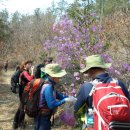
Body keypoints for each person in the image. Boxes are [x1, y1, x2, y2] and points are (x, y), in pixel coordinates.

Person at [74, 54, 130, 130]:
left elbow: (76, 108)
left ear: (91, 70)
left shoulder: (87, 87)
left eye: (88, 71)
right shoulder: (119, 84)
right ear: (103, 68)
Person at [34, 63, 74, 130]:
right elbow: (51, 105)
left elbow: (57, 94)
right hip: (42, 117)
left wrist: (68, 97)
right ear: (53, 76)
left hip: (42, 116)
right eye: (58, 76)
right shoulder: (48, 86)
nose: (59, 78)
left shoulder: (48, 82)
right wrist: (64, 100)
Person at [13, 60, 35, 129]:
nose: (30, 65)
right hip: (23, 93)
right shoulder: (25, 72)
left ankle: (15, 123)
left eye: (31, 64)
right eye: (29, 64)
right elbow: (31, 79)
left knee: (20, 108)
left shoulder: (25, 71)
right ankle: (20, 124)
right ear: (25, 65)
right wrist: (33, 71)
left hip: (23, 92)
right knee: (23, 109)